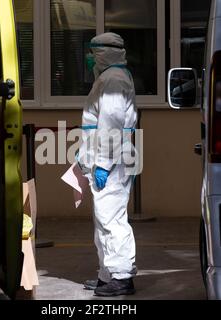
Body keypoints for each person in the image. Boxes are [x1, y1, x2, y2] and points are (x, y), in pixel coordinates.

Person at [77, 32, 138, 297]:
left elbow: (111, 126)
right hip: (109, 159)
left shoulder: (113, 80)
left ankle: (122, 276)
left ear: (104, 53)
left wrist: (102, 163)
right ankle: (108, 274)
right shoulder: (110, 77)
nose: (89, 59)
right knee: (104, 218)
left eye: (93, 53)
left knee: (111, 219)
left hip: (112, 162)